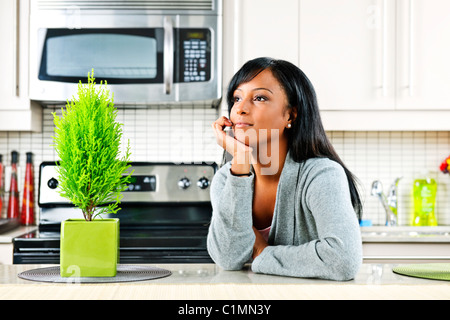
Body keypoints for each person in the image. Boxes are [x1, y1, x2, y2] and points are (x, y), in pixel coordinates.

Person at [207, 57, 363, 280]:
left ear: (290, 115)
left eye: (259, 97)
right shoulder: (226, 179)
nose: (240, 108)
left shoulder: (321, 175)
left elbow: (343, 260)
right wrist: (240, 160)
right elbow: (228, 258)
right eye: (236, 98)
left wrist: (262, 252)